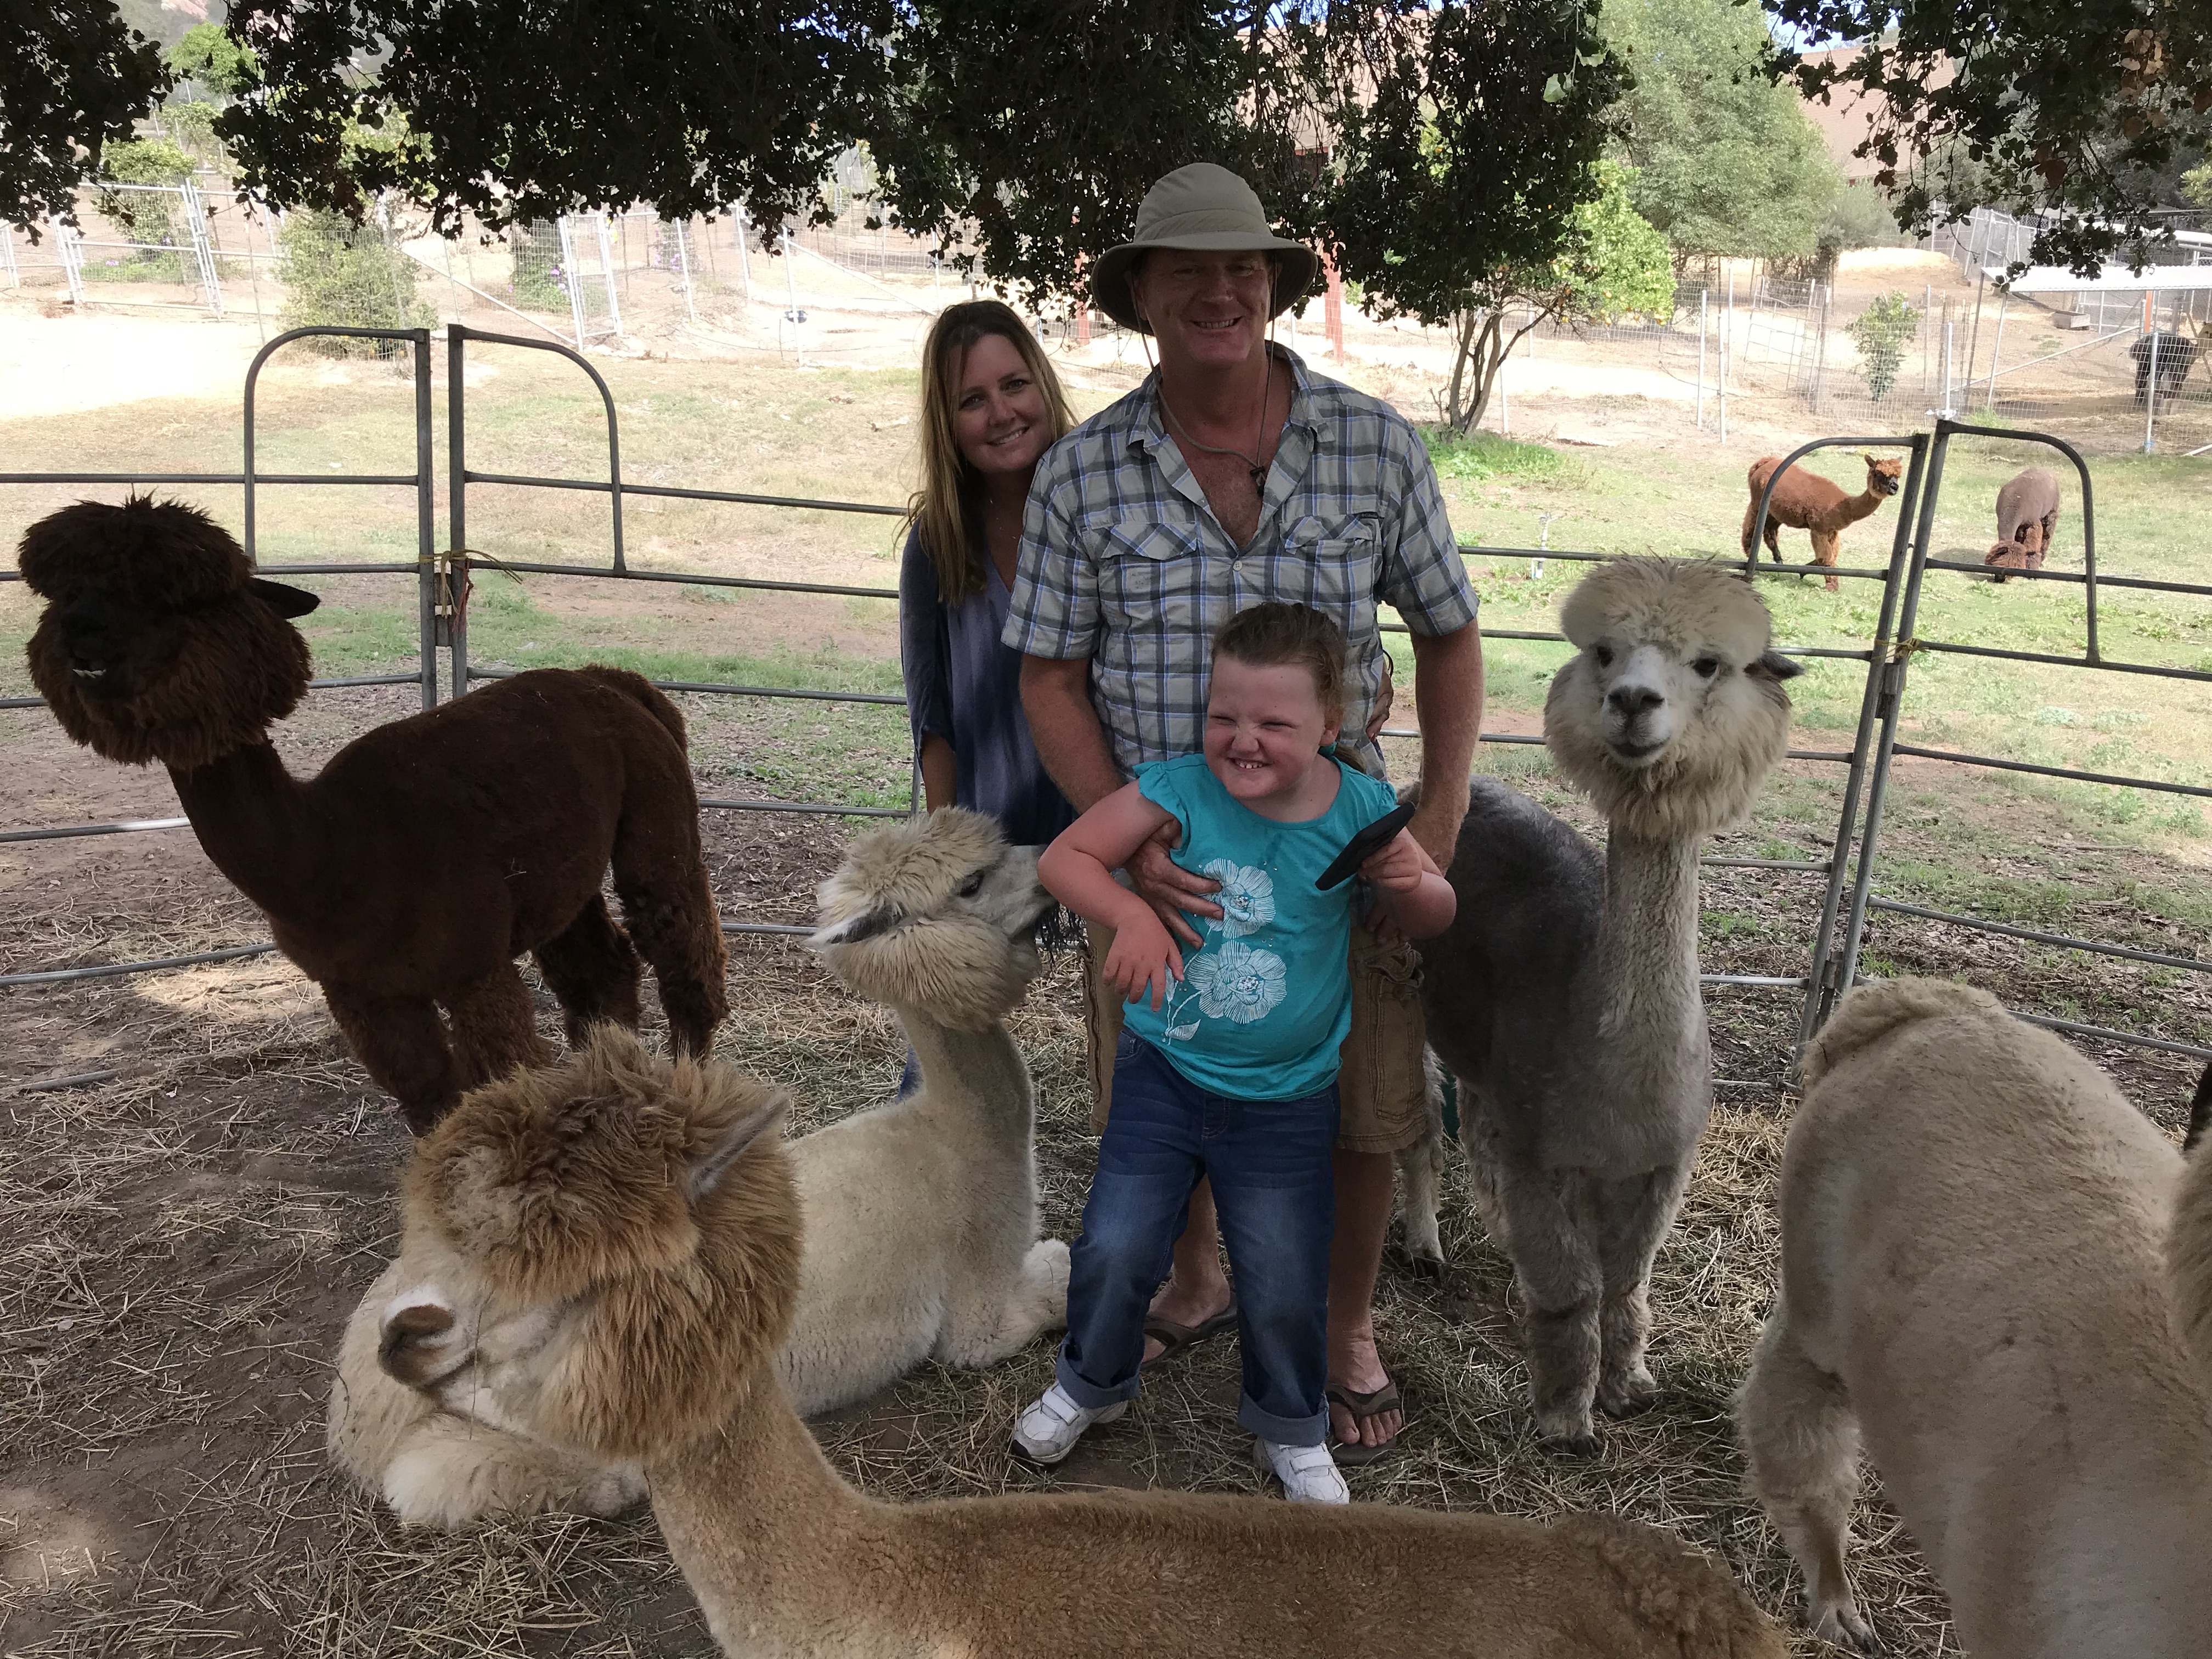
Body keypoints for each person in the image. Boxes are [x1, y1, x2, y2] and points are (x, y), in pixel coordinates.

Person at [1006, 162, 1485, 1463]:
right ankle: (1197, 1276)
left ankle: (1340, 1329)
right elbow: (1048, 675)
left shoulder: (1375, 445)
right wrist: (1126, 840)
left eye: (1242, 268)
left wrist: (1434, 821)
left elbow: (1447, 634)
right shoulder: (1083, 474)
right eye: (1187, 271)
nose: (1219, 291)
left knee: (1362, 1099)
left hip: (1338, 848)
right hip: (1165, 850)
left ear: (1274, 284)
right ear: (1143, 296)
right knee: (1164, 1085)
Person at [1014, 604, 1457, 1500]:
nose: (1243, 740)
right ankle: (1091, 1383)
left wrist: (1411, 883)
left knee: (1286, 1270)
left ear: (1329, 725)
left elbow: (1434, 914)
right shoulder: (1177, 789)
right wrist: (1132, 911)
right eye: (1224, 715)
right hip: (1165, 1074)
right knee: (1114, 1246)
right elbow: (1066, 859)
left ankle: (1290, 1424)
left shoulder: (1362, 808)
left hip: (1287, 1097)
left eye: (1274, 723)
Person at [899, 300, 1080, 844]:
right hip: (994, 853)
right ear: (947, 423)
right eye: (973, 400)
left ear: (1043, 385)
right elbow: (933, 719)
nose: (1001, 414)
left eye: (1015, 385)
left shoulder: (1102, 513)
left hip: (1106, 842)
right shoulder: (938, 543)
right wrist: (950, 859)